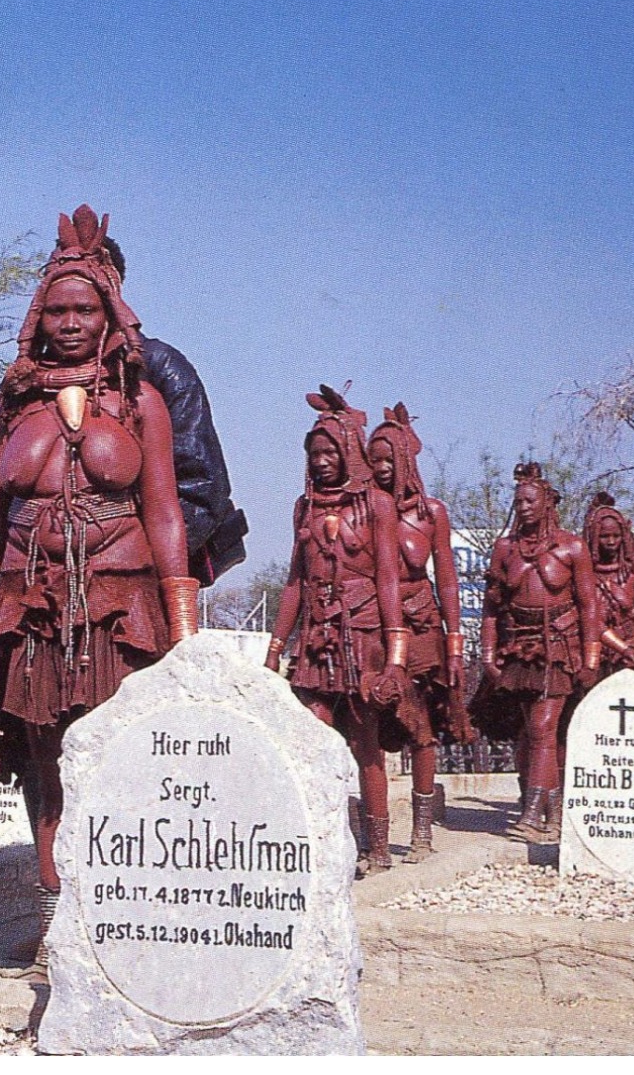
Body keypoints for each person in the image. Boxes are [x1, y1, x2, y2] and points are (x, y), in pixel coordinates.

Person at [0, 204, 197, 970]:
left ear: (108, 316)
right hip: (33, 603)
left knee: (119, 759)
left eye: (85, 309)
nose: (69, 323)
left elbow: (165, 513)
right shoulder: (10, 405)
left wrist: (183, 628)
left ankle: (125, 919)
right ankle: (54, 924)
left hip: (120, 602)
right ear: (39, 317)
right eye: (58, 310)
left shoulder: (143, 403)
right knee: (43, 761)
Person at [266, 385, 411, 874]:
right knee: (314, 734)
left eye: (331, 451)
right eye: (315, 453)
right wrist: (274, 648)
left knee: (364, 741)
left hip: (364, 633)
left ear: (349, 452)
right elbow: (294, 582)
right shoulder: (304, 507)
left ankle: (377, 844)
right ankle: (328, 838)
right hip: (316, 636)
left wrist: (395, 656)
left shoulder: (379, 507)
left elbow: (389, 579)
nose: (323, 461)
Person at [92, 236, 247, 586]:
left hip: (133, 571)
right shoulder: (31, 378)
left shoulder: (160, 367)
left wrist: (145, 566)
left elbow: (201, 485)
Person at [364, 404, 473, 862]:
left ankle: (422, 833)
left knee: (421, 729)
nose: (382, 469)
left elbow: (446, 578)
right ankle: (373, 837)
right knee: (367, 726)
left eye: (390, 460)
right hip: (372, 625)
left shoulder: (431, 514)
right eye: (375, 460)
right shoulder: (363, 508)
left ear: (407, 462)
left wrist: (453, 644)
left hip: (421, 625)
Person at [471, 464, 599, 842]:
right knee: (531, 733)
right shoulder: (504, 549)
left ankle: (531, 814)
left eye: (531, 500)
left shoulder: (573, 546)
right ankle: (554, 814)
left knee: (544, 728)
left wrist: (590, 657)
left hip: (559, 647)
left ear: (547, 503)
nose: (524, 507)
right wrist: (487, 652)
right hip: (517, 648)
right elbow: (491, 607)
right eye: (518, 501)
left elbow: (590, 605)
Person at [583, 495, 634, 687]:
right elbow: (589, 618)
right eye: (604, 536)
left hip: (631, 656)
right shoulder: (582, 573)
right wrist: (621, 647)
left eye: (616, 536)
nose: (611, 542)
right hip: (593, 656)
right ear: (593, 537)